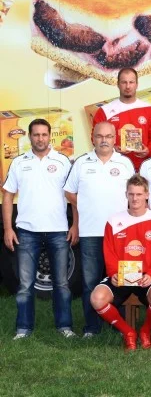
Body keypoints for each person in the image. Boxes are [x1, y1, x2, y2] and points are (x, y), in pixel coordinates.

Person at [3, 118, 77, 339]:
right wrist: (8, 229)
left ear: (49, 136)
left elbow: (74, 196)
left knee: (61, 284)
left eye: (44, 134)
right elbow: (7, 196)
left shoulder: (63, 161)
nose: (40, 139)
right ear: (30, 137)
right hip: (27, 232)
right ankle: (23, 329)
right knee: (25, 285)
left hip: (58, 231)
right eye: (36, 134)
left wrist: (76, 225)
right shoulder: (19, 162)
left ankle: (64, 327)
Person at [64, 121, 135, 338]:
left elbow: (136, 193)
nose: (104, 140)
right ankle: (92, 328)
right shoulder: (81, 163)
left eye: (108, 136)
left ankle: (119, 325)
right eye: (99, 136)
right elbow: (69, 192)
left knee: (121, 280)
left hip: (120, 233)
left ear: (115, 139)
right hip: (90, 232)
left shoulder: (125, 163)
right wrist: (85, 206)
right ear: (92, 138)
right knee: (90, 282)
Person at [89, 175, 151, 351]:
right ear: (126, 194)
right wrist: (113, 273)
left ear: (147, 195)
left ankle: (145, 331)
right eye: (131, 194)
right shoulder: (113, 221)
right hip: (121, 275)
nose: (135, 198)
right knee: (97, 298)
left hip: (147, 276)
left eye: (139, 194)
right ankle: (128, 332)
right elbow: (109, 252)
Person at [92, 68, 151, 170]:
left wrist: (148, 150)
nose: (128, 86)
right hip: (114, 168)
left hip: (144, 167)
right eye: (124, 82)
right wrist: (112, 148)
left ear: (137, 84)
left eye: (131, 82)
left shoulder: (149, 110)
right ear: (118, 84)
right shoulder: (104, 111)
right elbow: (95, 138)